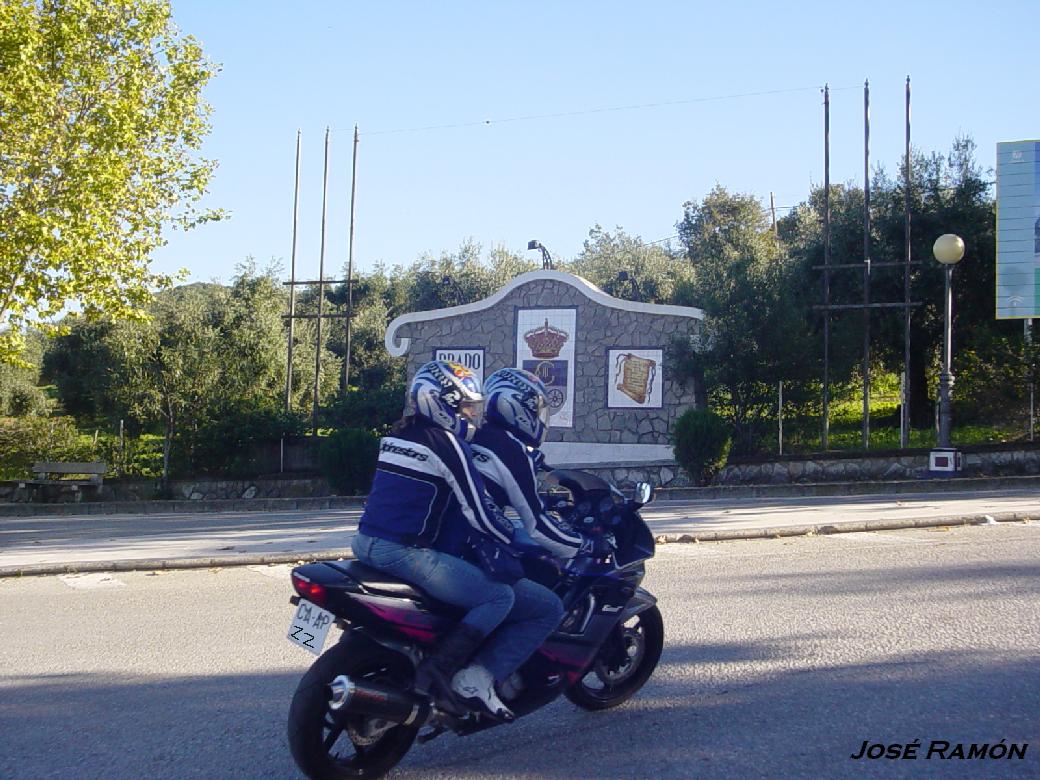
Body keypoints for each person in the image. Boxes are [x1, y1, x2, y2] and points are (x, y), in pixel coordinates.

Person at [352, 360, 561, 720]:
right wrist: (510, 539)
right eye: (465, 407)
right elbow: (478, 510)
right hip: (404, 553)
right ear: (442, 403)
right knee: (500, 596)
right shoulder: (446, 444)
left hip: (364, 542)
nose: (472, 416)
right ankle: (451, 674)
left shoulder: (398, 435)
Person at [471, 368, 586, 561]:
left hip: (459, 543)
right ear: (518, 407)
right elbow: (535, 525)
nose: (539, 418)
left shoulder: (479, 435)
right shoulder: (511, 449)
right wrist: (581, 545)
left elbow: (499, 491)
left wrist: (550, 502)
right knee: (545, 590)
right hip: (473, 549)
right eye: (537, 410)